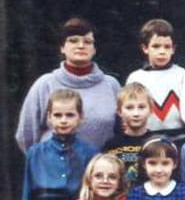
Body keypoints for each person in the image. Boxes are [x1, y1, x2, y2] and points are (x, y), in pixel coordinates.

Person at [16, 17, 120, 152]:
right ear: (62, 48)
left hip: (102, 164)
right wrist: (42, 160)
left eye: (87, 42)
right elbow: (26, 135)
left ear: (94, 49)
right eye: (73, 40)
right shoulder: (45, 84)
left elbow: (123, 131)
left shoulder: (111, 85)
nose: (81, 46)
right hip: (54, 164)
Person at [126, 18, 185, 145]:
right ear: (145, 48)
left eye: (167, 47)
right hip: (147, 140)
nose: (162, 51)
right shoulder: (136, 78)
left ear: (173, 49)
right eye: (156, 46)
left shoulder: (184, 75)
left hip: (180, 138)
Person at [104, 83, 153, 188]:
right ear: (119, 111)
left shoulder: (156, 143)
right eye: (129, 108)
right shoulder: (111, 144)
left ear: (151, 110)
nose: (136, 113)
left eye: (141, 107)